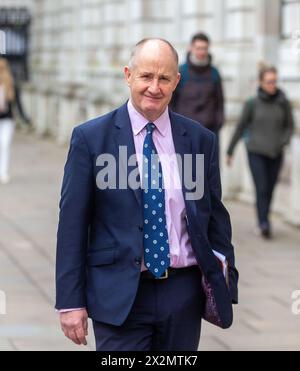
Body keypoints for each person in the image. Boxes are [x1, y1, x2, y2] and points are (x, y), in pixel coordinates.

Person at [56, 38, 238, 351]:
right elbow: (72, 226)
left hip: (183, 295)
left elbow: (215, 219)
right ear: (128, 75)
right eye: (146, 76)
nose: (154, 87)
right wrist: (70, 301)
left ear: (176, 81)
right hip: (118, 294)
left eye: (164, 78)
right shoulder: (92, 139)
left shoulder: (199, 140)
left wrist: (226, 277)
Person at [227, 66, 295, 239]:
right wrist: (230, 150)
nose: (272, 85)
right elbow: (241, 126)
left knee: (270, 188)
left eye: (274, 81)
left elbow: (290, 126)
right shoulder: (252, 103)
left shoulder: (283, 102)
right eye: (269, 81)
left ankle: (264, 219)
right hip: (256, 151)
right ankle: (263, 222)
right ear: (261, 82)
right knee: (261, 187)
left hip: (275, 152)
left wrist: (282, 142)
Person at [170, 32, 224, 151]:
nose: (201, 52)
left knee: (207, 168)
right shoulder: (181, 72)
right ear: (191, 48)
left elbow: (219, 101)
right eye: (198, 48)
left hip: (208, 132)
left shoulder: (214, 73)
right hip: (184, 132)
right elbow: (171, 100)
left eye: (204, 48)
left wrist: (218, 123)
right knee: (186, 168)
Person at [0, 57, 31, 184]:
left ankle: (3, 171)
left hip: (7, 119)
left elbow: (18, 104)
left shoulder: (11, 85)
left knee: (5, 144)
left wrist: (25, 118)